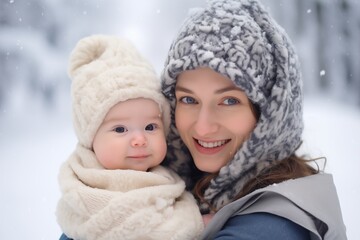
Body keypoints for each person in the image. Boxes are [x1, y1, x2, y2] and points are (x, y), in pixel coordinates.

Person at [161, 0, 347, 239]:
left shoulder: (264, 228)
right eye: (188, 100)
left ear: (271, 113)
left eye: (229, 101)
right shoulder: (199, 185)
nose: (203, 127)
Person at [56, 35, 203, 240]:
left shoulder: (168, 177)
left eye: (150, 127)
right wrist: (197, 224)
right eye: (120, 130)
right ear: (90, 137)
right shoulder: (87, 189)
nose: (139, 140)